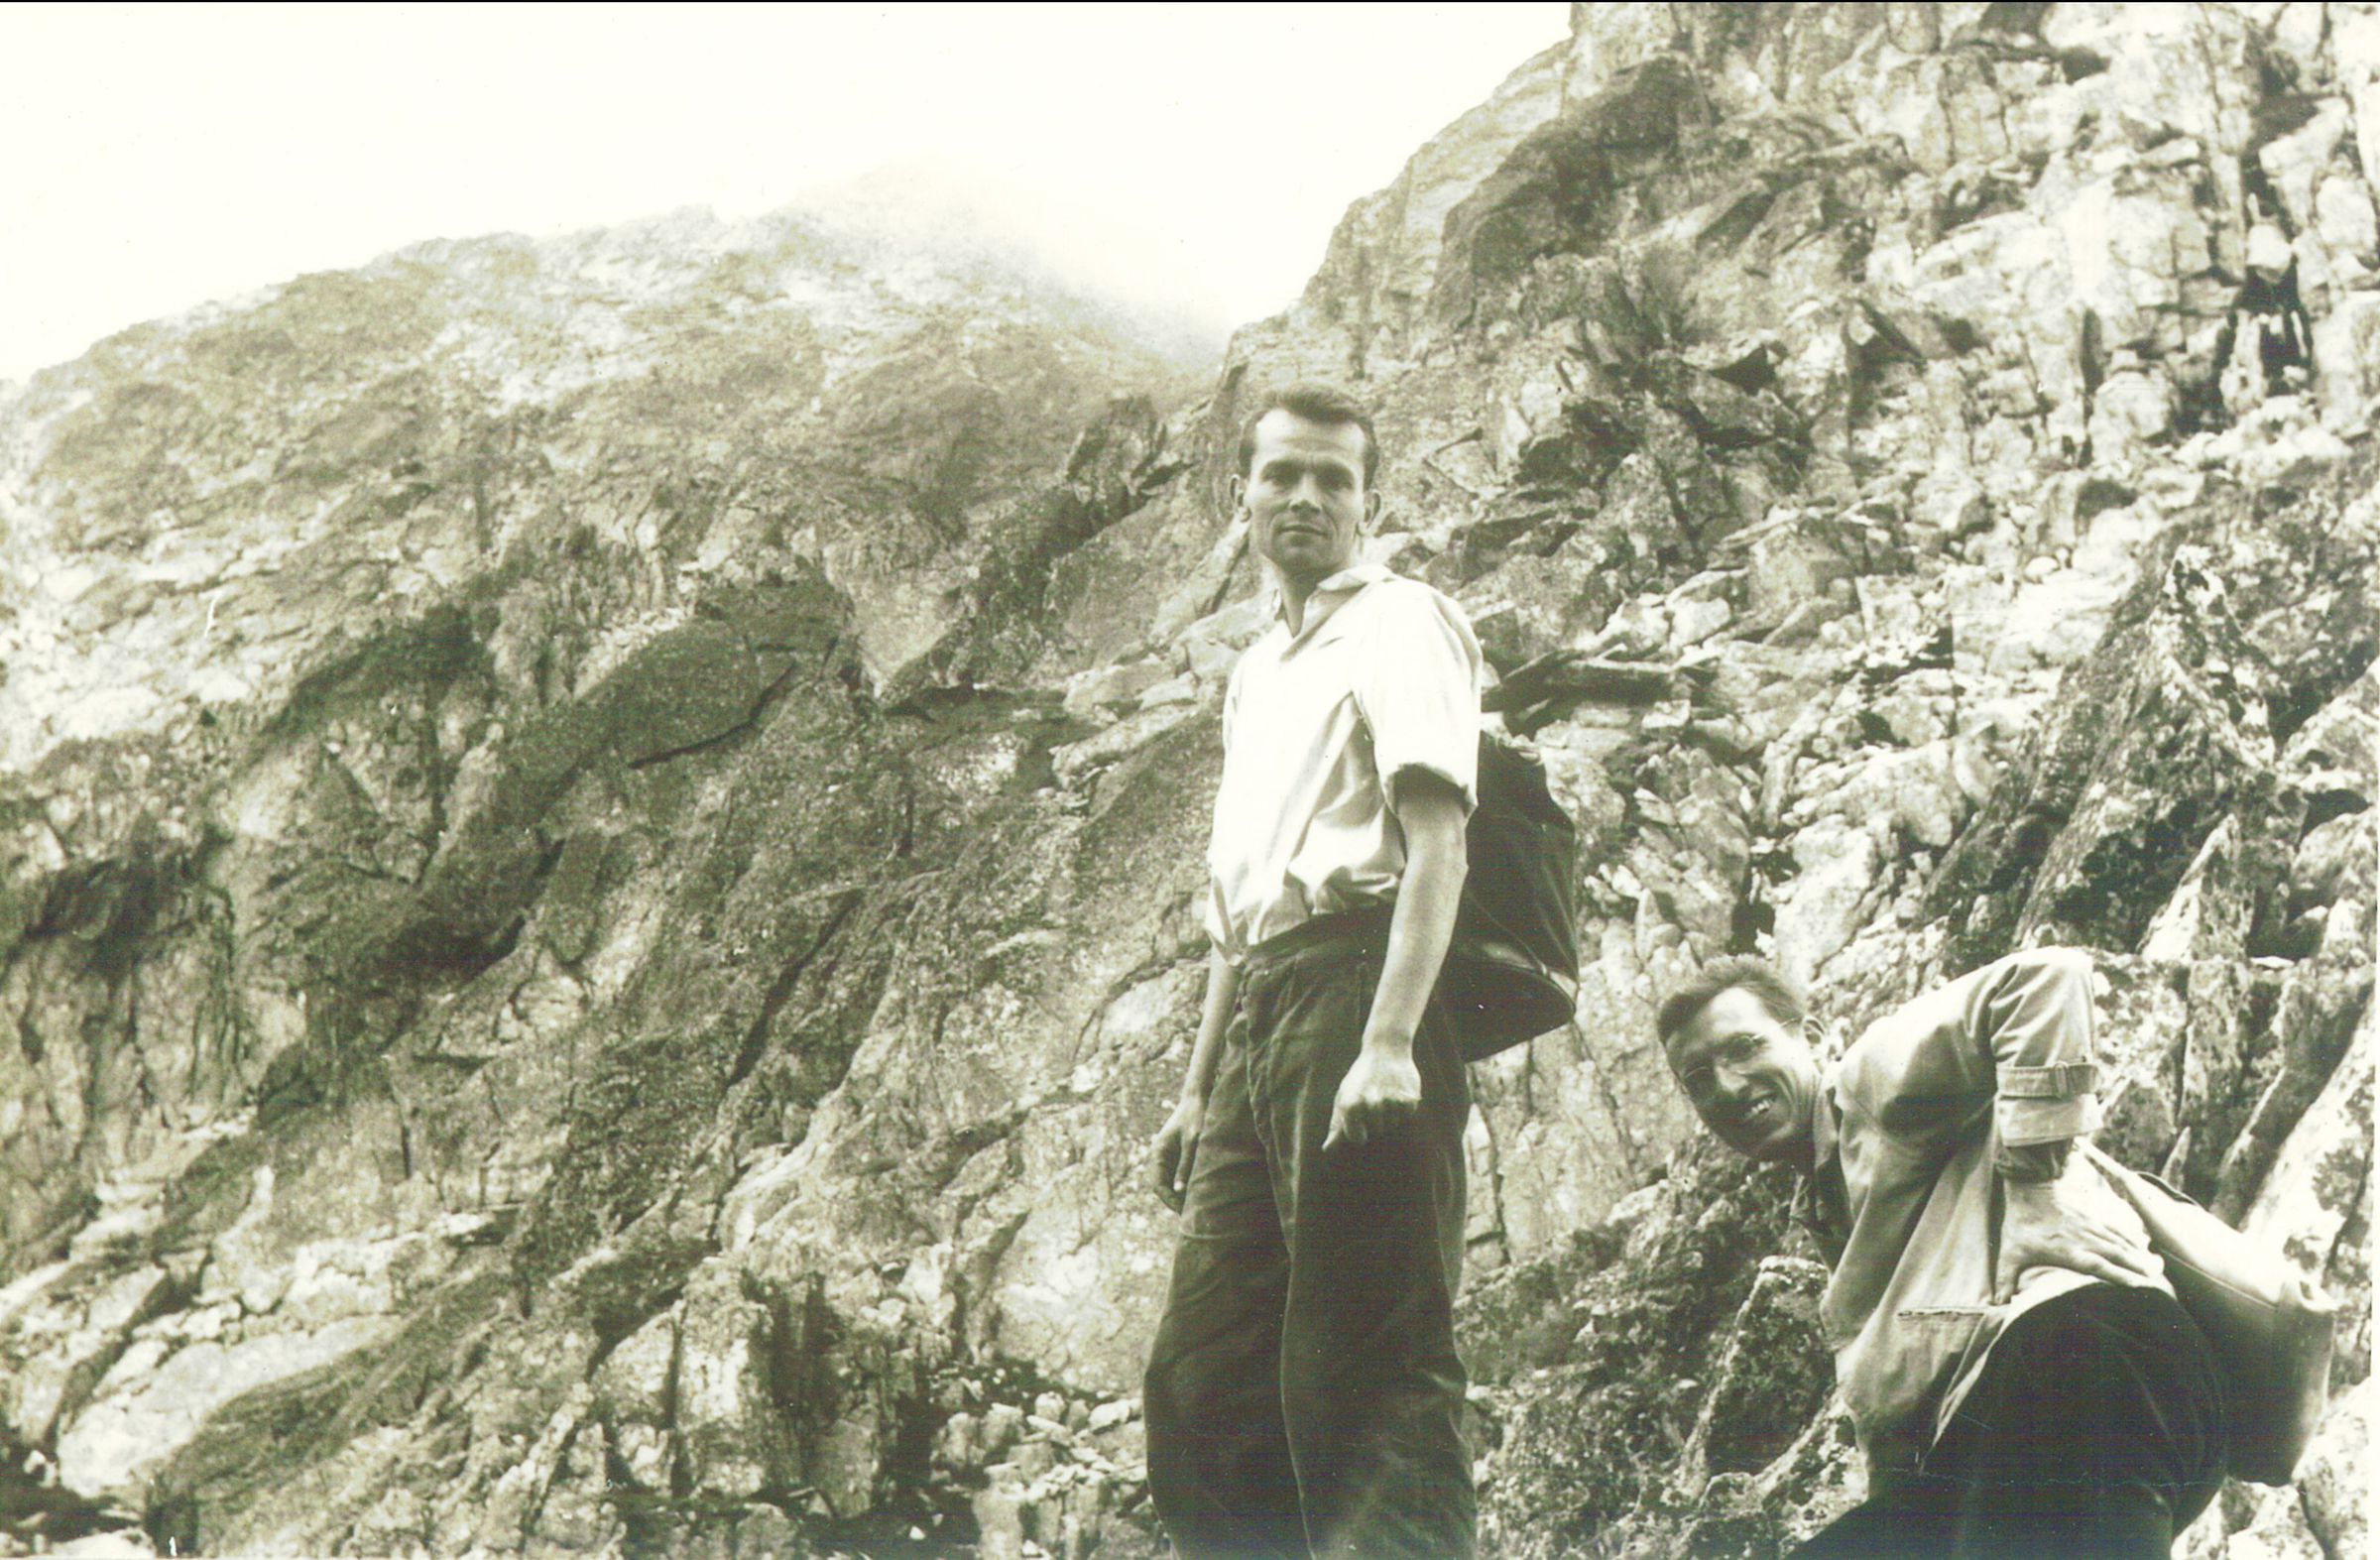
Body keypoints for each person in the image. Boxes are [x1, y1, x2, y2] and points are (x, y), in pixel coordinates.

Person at [1141, 382, 1485, 1560]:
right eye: (1282, 473)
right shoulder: (1256, 672)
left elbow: (1438, 841)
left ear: (1366, 504)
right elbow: (1236, 917)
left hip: (1359, 986)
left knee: (1369, 1363)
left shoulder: (1401, 620)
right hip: (1263, 1012)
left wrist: (1389, 1041)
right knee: (1203, 1377)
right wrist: (1197, 1089)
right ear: (1240, 495)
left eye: (1334, 479)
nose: (1306, 496)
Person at [1655, 949, 2229, 1558]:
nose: (1726, 1085)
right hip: (2008, 1424)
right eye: (1699, 1079)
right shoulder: (1828, 1194)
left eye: (1745, 1047)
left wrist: (2036, 1195)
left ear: (1814, 1037)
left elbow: (2047, 979)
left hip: (2082, 1364)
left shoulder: (1865, 1086)